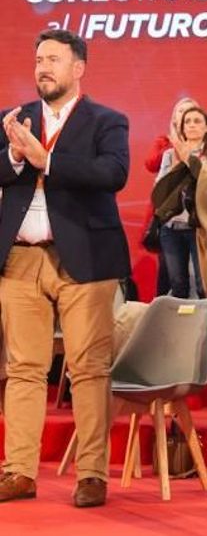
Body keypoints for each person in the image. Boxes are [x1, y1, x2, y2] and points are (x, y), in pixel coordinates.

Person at [0, 28, 131, 508]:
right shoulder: (13, 120)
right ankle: (18, 471)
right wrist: (15, 155)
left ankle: (92, 473)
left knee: (89, 370)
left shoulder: (107, 120)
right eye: (38, 59)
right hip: (19, 259)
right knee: (24, 370)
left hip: (85, 261)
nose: (42, 67)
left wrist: (47, 160)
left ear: (78, 68)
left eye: (53, 59)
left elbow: (112, 174)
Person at [151, 105, 207, 301]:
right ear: (181, 128)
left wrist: (189, 160)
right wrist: (176, 166)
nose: (191, 125)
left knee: (204, 285)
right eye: (187, 122)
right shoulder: (169, 154)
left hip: (199, 227)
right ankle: (179, 330)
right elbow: (158, 188)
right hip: (171, 226)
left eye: (197, 121)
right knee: (178, 285)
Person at [144, 97, 196, 296]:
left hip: (195, 221)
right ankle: (163, 321)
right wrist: (174, 146)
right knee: (170, 276)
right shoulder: (165, 144)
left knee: (198, 280)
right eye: (181, 112)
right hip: (168, 221)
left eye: (190, 112)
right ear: (175, 118)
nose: (186, 117)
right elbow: (150, 164)